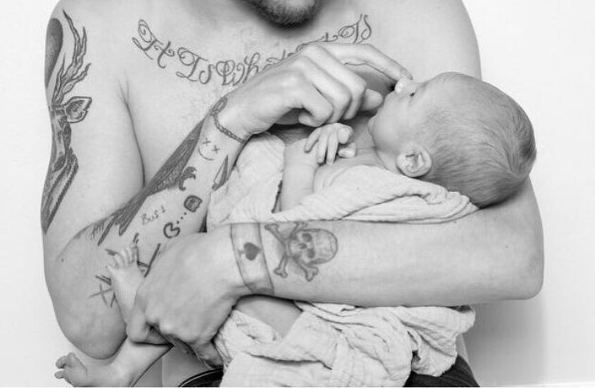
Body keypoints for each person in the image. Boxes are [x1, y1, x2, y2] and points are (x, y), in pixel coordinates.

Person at [42, 0, 543, 386]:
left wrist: (234, 259)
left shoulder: (412, 5)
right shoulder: (100, 26)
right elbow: (89, 321)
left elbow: (513, 258)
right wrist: (230, 120)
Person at [54, 72, 536, 386]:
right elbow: (87, 323)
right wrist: (238, 119)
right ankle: (125, 365)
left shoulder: (391, 191)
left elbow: (292, 222)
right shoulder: (372, 166)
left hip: (339, 334)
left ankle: (132, 348)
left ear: (413, 160)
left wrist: (300, 164)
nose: (402, 84)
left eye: (413, 94)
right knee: (190, 296)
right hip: (243, 334)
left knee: (226, 301)